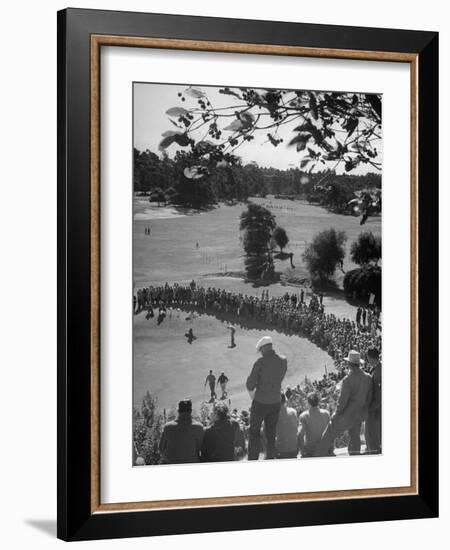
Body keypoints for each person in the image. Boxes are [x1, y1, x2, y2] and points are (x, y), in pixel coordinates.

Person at [313, 350, 373, 456]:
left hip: (346, 415)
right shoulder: (368, 377)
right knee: (355, 438)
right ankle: (355, 457)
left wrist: (335, 415)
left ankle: (318, 456)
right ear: (359, 364)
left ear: (349, 364)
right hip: (359, 415)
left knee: (328, 434)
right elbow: (369, 398)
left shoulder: (348, 379)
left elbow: (342, 401)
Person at [246, 336, 287, 460]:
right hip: (275, 401)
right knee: (271, 433)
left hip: (260, 402)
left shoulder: (260, 362)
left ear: (264, 348)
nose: (260, 353)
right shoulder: (283, 360)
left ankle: (253, 459)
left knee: (254, 432)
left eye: (260, 350)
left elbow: (249, 385)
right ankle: (269, 459)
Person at [159, 400, 204, 464]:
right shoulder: (199, 427)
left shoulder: (168, 427)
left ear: (178, 411)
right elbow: (200, 448)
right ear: (191, 411)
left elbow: (161, 448)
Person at [298, 392, 331, 457]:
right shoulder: (326, 414)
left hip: (311, 451)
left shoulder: (303, 416)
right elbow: (332, 431)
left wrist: (302, 451)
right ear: (318, 401)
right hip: (325, 449)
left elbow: (300, 434)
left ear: (308, 402)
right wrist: (331, 448)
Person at [365, 347, 382, 453]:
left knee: (374, 433)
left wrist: (371, 408)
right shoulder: (376, 368)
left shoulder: (379, 372)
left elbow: (380, 395)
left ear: (370, 358)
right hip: (376, 407)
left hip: (377, 408)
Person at [275, 392, 298, 458]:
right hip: (294, 448)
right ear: (285, 400)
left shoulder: (273, 415)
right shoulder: (293, 411)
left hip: (281, 450)